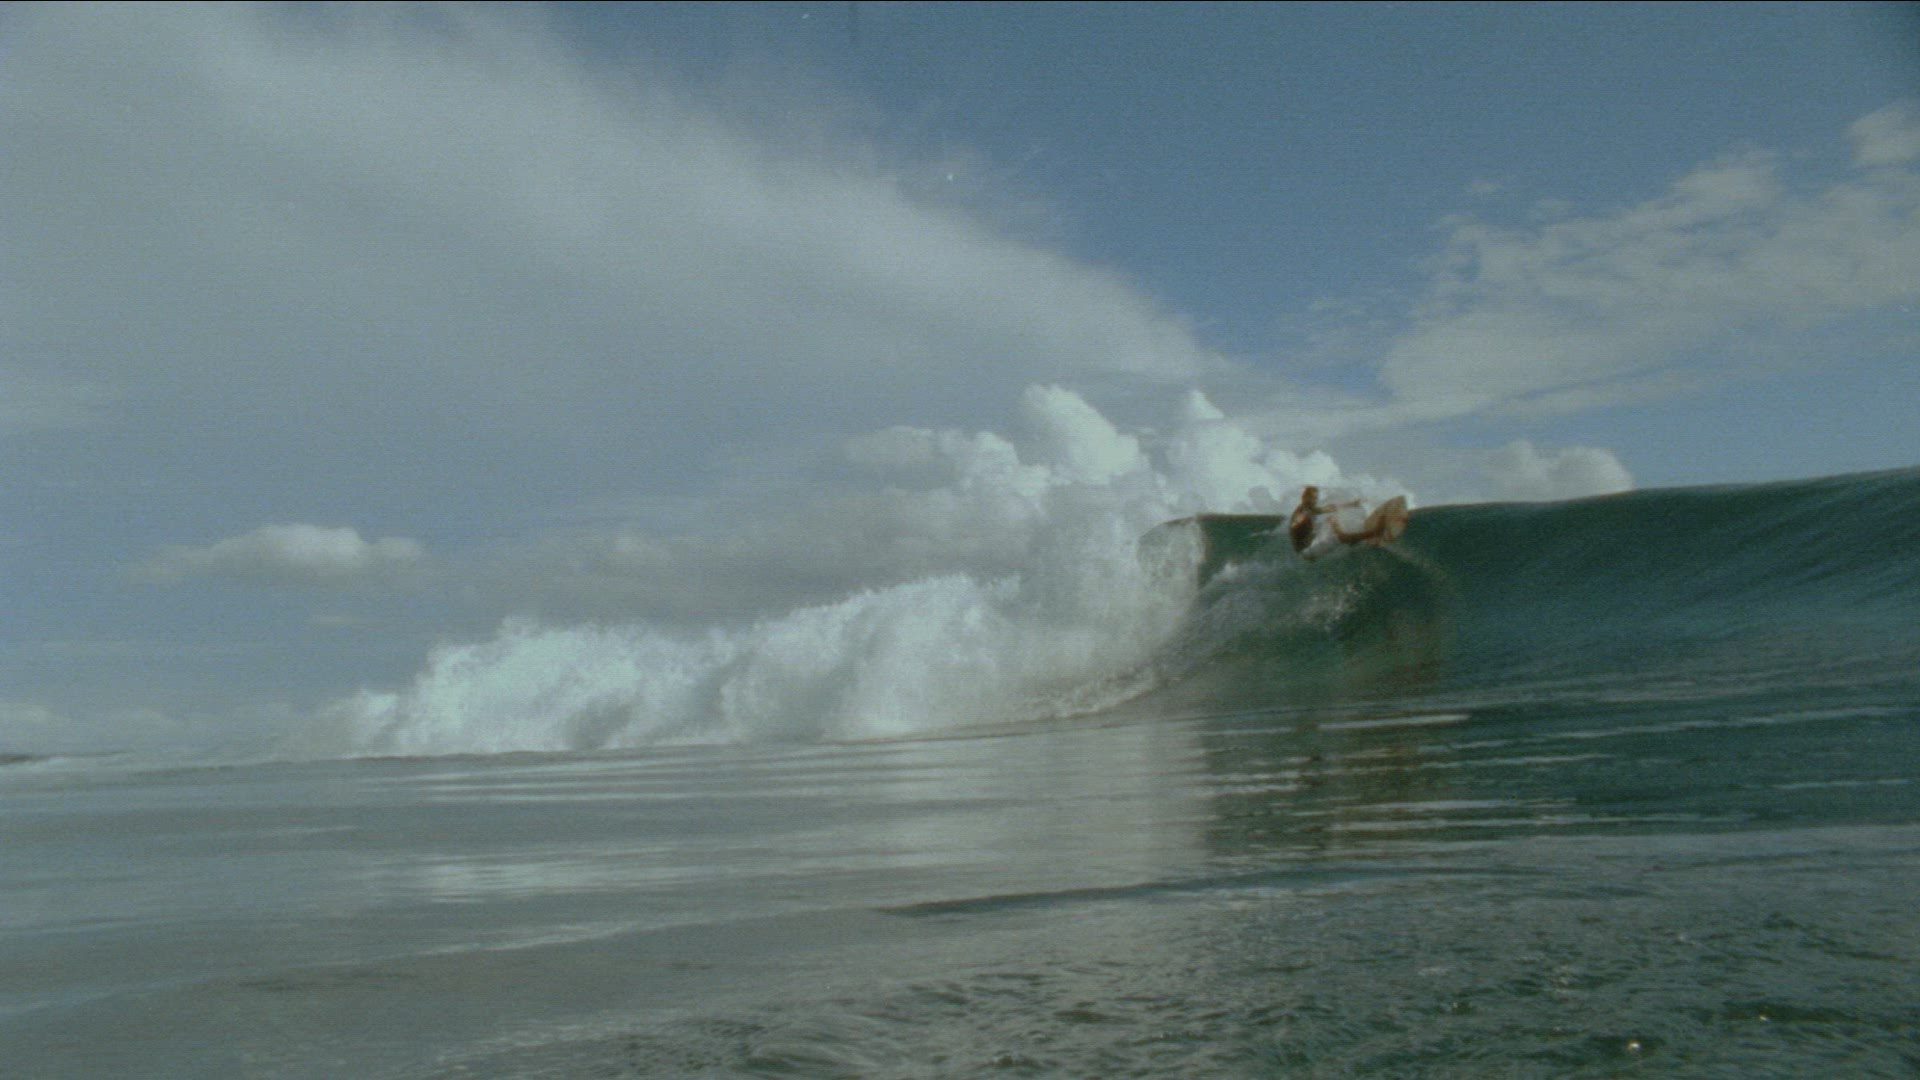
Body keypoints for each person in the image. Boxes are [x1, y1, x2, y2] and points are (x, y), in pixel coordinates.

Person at [1289, 485, 1394, 559]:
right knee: (1338, 536)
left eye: (1315, 498)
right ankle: (1375, 532)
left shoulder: (1309, 508)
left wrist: (1352, 504)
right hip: (1307, 551)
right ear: (1304, 497)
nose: (1314, 501)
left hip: (1311, 541)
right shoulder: (1301, 514)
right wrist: (1297, 524)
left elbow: (1329, 508)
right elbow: (1296, 522)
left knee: (1333, 519)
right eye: (1311, 498)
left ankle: (1354, 538)